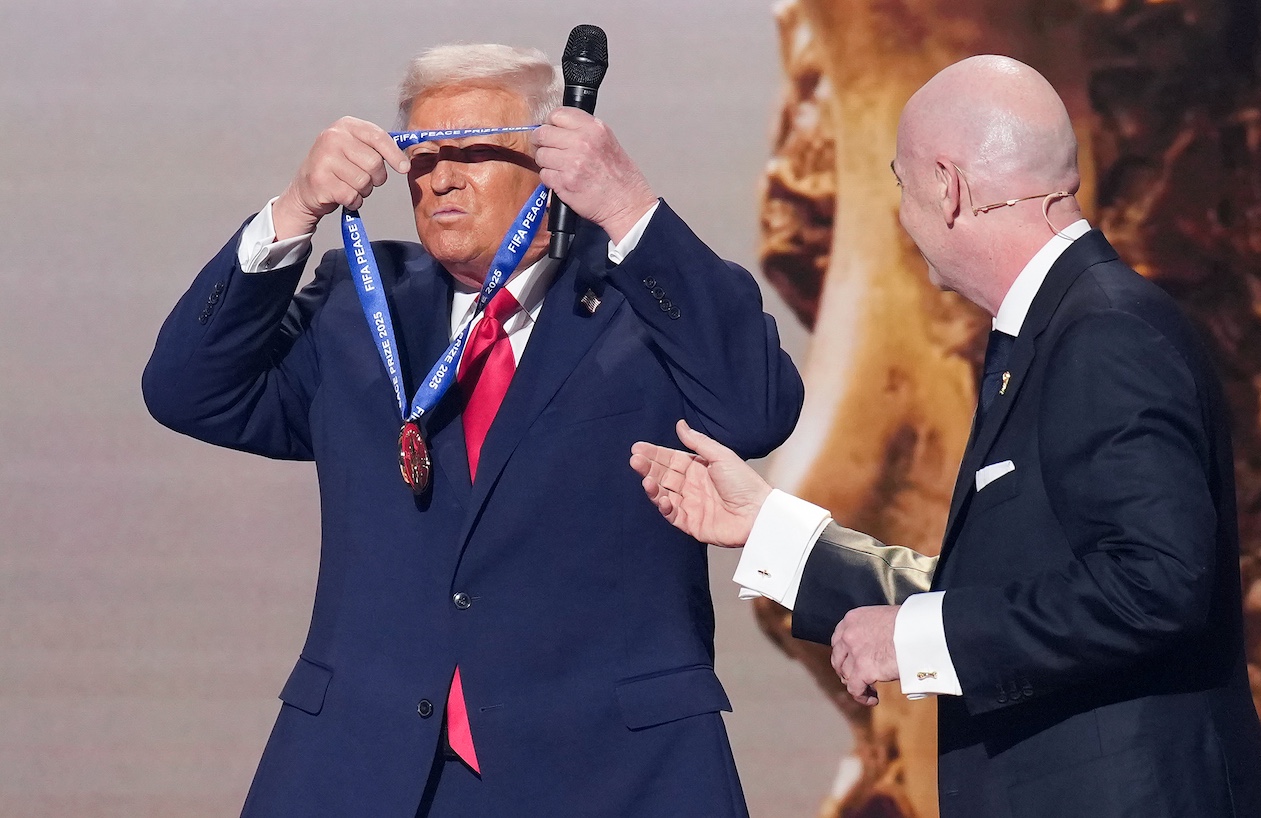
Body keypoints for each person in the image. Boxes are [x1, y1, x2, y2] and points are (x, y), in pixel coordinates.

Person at [143, 43, 801, 818]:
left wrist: (626, 208)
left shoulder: (643, 300)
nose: (442, 178)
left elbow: (756, 410)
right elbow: (188, 390)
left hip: (609, 772)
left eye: (475, 153)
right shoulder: (361, 302)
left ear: (554, 157)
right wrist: (294, 211)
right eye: (422, 155)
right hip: (367, 770)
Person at [631, 55, 1261, 817]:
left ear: (951, 188)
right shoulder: (1057, 331)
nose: (902, 215)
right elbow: (1009, 593)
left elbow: (1154, 585)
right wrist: (767, 526)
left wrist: (915, 641)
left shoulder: (1105, 333)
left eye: (901, 186)